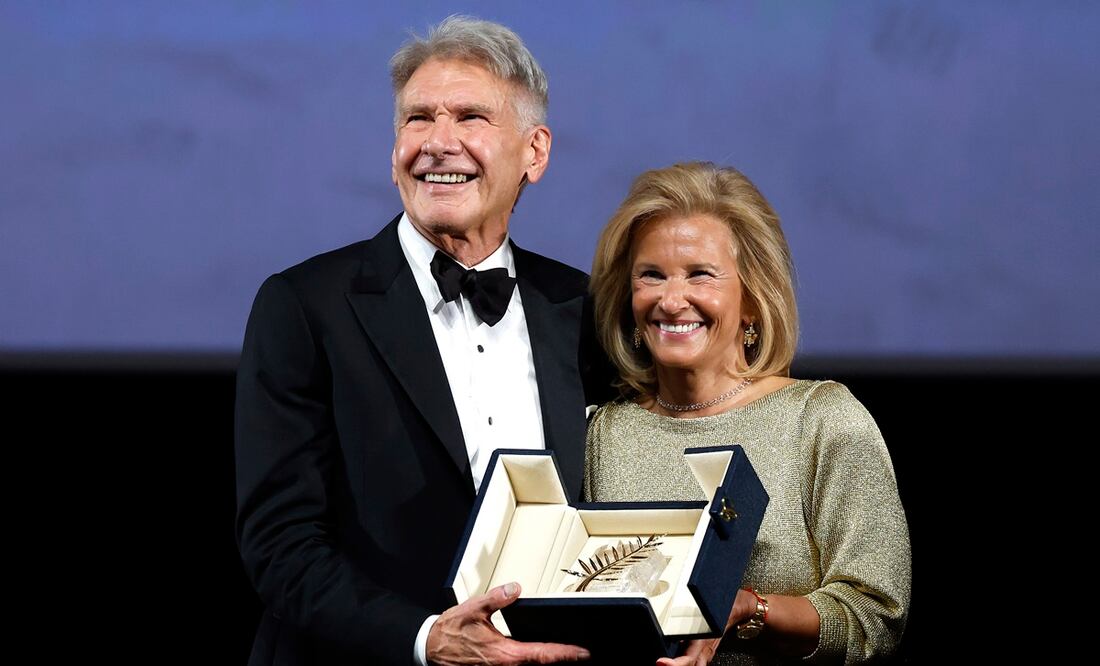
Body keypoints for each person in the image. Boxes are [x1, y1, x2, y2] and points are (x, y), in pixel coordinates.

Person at [235, 16, 612, 665]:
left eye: (471, 117)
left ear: (535, 152)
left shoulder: (583, 308)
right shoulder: (304, 306)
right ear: (393, 152)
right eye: (417, 119)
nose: (438, 143)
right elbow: (280, 544)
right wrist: (425, 638)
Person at [584, 162, 911, 664]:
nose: (671, 301)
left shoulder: (820, 420)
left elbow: (875, 615)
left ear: (754, 301)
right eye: (651, 276)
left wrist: (750, 610)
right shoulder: (600, 432)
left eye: (700, 275)